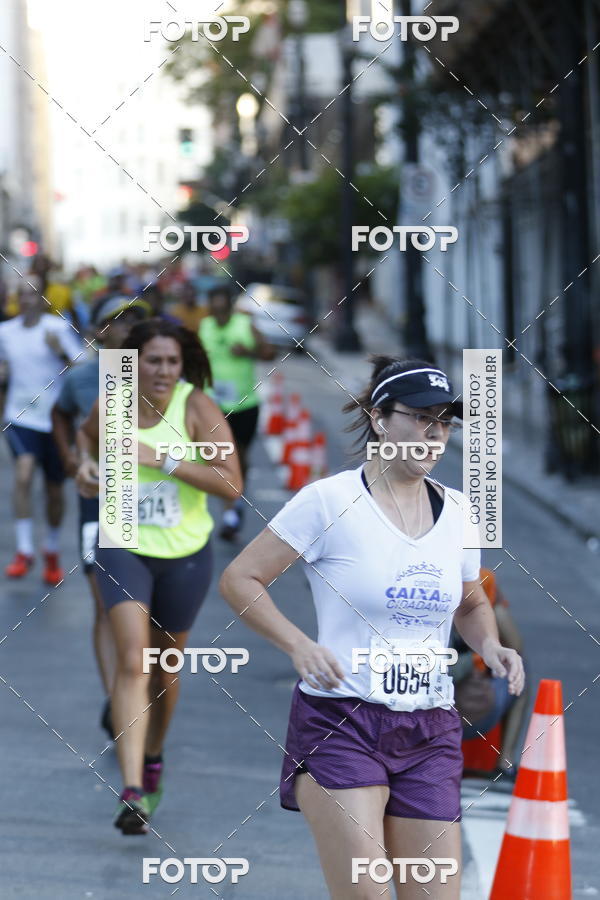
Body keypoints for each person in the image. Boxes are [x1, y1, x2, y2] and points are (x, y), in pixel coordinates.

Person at [220, 357, 525, 899]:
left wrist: (491, 645)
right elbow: (241, 578)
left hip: (430, 730)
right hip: (342, 723)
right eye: (422, 418)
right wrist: (298, 644)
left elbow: (470, 599)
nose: (435, 435)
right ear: (381, 419)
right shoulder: (329, 502)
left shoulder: (457, 511)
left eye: (445, 422)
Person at [76, 319, 242, 835]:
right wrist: (83, 465)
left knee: (165, 674)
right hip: (122, 539)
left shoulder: (196, 407)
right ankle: (131, 790)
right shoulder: (114, 400)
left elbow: (231, 484)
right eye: (153, 361)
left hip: (184, 552)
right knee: (133, 659)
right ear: (134, 363)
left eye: (172, 362)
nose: (164, 371)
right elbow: (85, 439)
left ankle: (151, 756)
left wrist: (163, 458)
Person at [51, 296, 151, 739]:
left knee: (143, 605)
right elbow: (59, 415)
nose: (128, 327)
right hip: (98, 502)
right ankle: (117, 697)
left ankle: (136, 685)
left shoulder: (159, 378)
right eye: (119, 320)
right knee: (102, 601)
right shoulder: (82, 379)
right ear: (99, 332)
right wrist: (72, 461)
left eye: (136, 320)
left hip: (150, 503)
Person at [0, 276, 82, 583]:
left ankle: (50, 550)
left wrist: (60, 352)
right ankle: (24, 550)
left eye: (32, 294)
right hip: (20, 417)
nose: (26, 300)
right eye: (21, 294)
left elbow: (84, 366)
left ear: (42, 298)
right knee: (22, 473)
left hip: (56, 421)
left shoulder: (57, 329)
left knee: (54, 490)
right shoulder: (5, 332)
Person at [200, 286, 274, 540]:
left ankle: (237, 497)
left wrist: (249, 351)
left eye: (223, 309)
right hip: (214, 405)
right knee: (222, 456)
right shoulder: (205, 327)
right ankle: (230, 511)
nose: (218, 315)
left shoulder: (246, 325)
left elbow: (269, 352)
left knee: (240, 457)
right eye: (214, 309)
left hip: (245, 404)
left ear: (230, 307)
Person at [451, 567, 529, 780]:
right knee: (517, 664)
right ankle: (505, 763)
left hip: (398, 705)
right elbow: (516, 643)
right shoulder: (482, 579)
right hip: (470, 711)